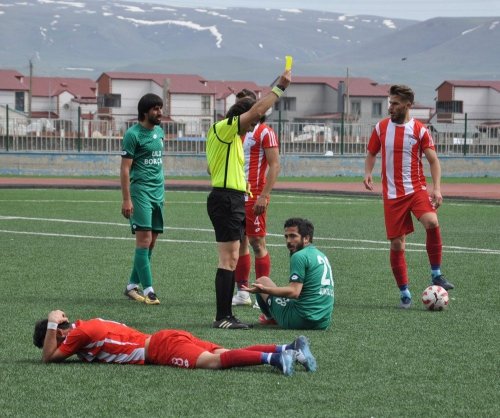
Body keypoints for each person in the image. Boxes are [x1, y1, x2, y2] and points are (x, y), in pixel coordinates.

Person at [206, 69, 291, 329]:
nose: (253, 128)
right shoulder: (224, 129)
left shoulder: (229, 139)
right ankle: (223, 317)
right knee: (228, 258)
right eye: (251, 124)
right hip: (226, 199)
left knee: (232, 256)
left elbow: (212, 169)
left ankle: (225, 315)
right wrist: (279, 88)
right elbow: (254, 113)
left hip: (231, 198)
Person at [363, 84, 455, 309]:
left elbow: (433, 161)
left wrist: (437, 188)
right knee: (397, 245)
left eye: (394, 104)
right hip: (392, 195)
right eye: (390, 103)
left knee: (432, 221)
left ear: (407, 105)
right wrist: (367, 172)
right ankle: (404, 292)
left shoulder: (420, 130)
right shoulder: (381, 127)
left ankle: (436, 273)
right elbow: (371, 153)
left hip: (416, 189)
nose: (390, 108)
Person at [33, 310, 317, 376]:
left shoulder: (77, 334)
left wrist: (51, 322)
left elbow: (48, 358)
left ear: (58, 333)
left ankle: (276, 359)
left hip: (159, 348)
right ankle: (288, 348)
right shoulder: (86, 326)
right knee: (226, 353)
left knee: (215, 362)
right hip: (164, 337)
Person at [231, 89, 281, 308]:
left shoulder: (264, 132)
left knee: (257, 243)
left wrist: (264, 195)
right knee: (238, 243)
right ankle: (242, 292)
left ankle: (263, 293)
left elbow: (275, 165)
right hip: (233, 195)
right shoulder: (233, 131)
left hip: (254, 196)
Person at [242, 218, 334, 330]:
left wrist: (264, 289)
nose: (289, 241)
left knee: (262, 281)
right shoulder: (321, 255)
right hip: (323, 323)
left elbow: (294, 292)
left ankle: (270, 317)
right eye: (286, 236)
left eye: (293, 236)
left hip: (302, 320)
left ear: (306, 238)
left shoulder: (299, 256)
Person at [120, 93, 165, 305]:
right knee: (143, 241)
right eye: (156, 108)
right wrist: (126, 199)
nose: (160, 112)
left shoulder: (159, 131)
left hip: (158, 193)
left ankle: (131, 286)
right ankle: (149, 290)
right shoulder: (132, 134)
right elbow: (125, 168)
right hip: (140, 193)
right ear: (145, 111)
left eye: (160, 108)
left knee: (152, 241)